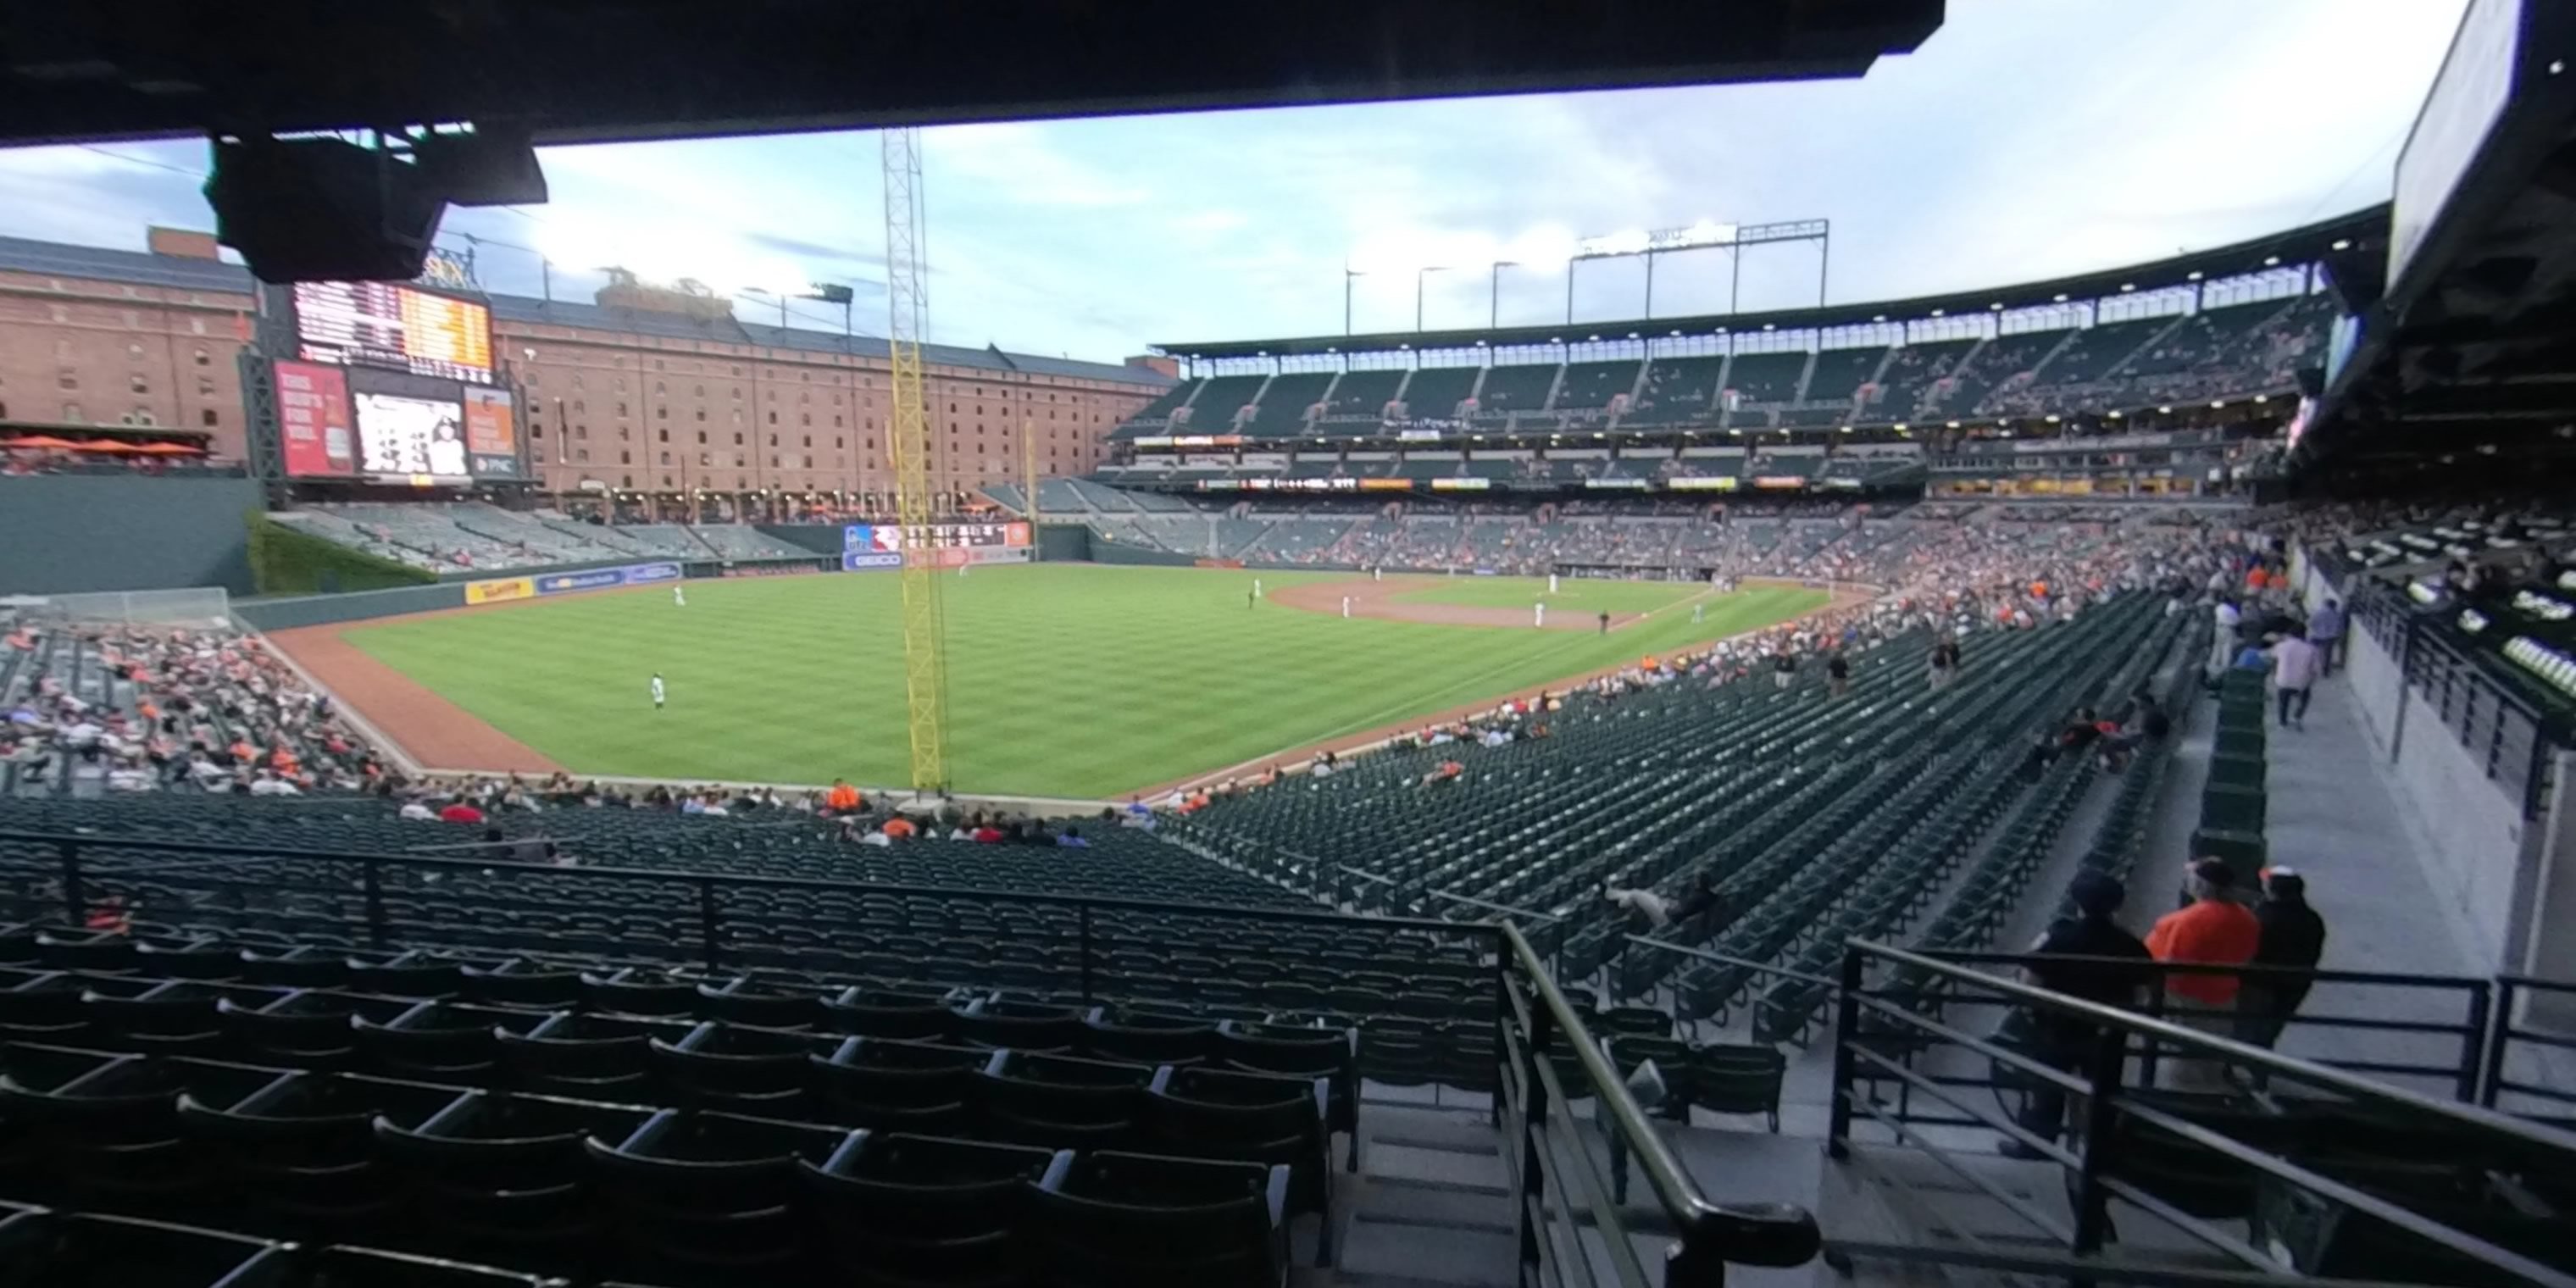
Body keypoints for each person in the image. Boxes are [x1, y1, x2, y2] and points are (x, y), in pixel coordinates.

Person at [2001, 871, 2152, 1157]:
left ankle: (2037, 1146)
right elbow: (2142, 992)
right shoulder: (2130, 944)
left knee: (2048, 1089)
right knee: (2103, 1094)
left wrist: (2036, 1013)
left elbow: (2030, 983)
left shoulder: (2059, 936)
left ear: (2077, 902)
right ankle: (2100, 1151)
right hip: (2107, 1031)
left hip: (2059, 1027)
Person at [2144, 858, 2262, 1090]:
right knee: (2213, 1050)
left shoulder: (2188, 920)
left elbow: (2172, 963)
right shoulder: (2247, 917)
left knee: (2182, 1053)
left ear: (2199, 886)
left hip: (2185, 998)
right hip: (2225, 994)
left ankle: (2181, 1100)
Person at [2235, 867, 2327, 1062]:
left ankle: (2248, 1069)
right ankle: (2260, 1072)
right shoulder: (2312, 919)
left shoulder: (2261, 917)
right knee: (2270, 1030)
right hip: (2295, 983)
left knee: (2250, 1029)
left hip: (2260, 983)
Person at [2268, 624, 2319, 730]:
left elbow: (2272, 657)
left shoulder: (2281, 646)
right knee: (2306, 696)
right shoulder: (2311, 649)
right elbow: (2316, 669)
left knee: (2283, 700)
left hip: (2283, 680)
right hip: (2302, 683)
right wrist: (2311, 681)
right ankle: (2298, 716)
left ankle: (2282, 722)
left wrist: (2275, 673)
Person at [2309, 597, 2346, 676]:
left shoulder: (2318, 612)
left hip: (2317, 635)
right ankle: (2325, 672)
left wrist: (2316, 629)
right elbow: (2340, 627)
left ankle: (2311, 668)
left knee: (2311, 651)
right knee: (2327, 655)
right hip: (2330, 637)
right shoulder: (2338, 615)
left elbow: (2311, 623)